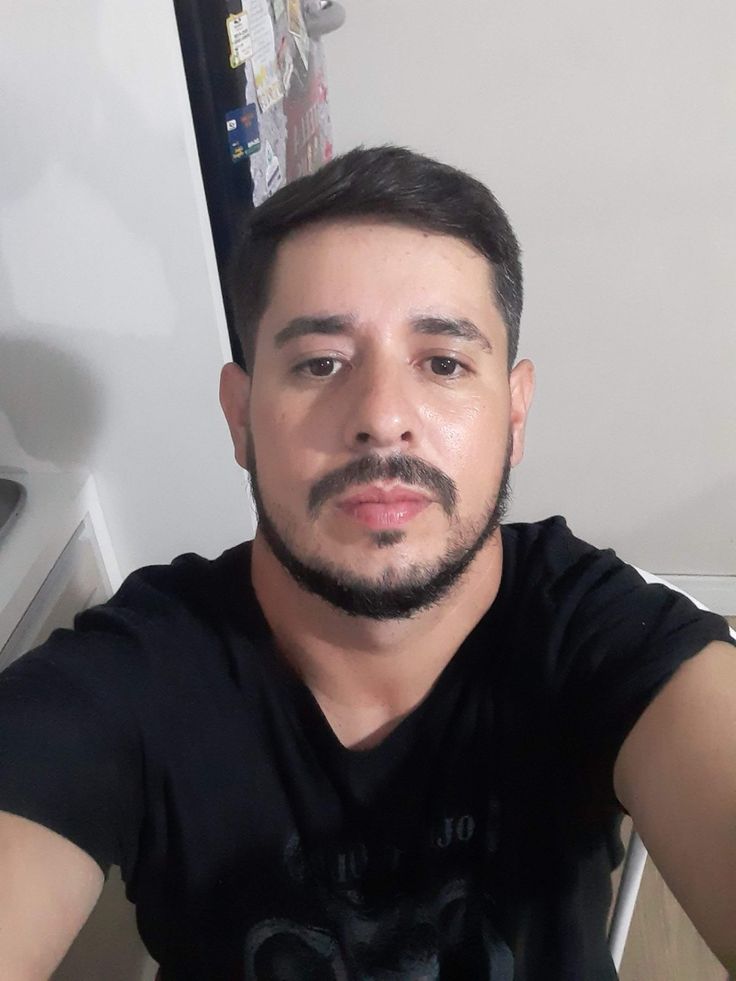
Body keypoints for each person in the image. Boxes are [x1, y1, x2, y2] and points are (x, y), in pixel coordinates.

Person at [0, 146, 734, 980]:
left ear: (514, 414)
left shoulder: (600, 636)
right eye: (321, 363)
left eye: (444, 362)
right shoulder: (138, 674)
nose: (383, 417)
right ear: (240, 417)